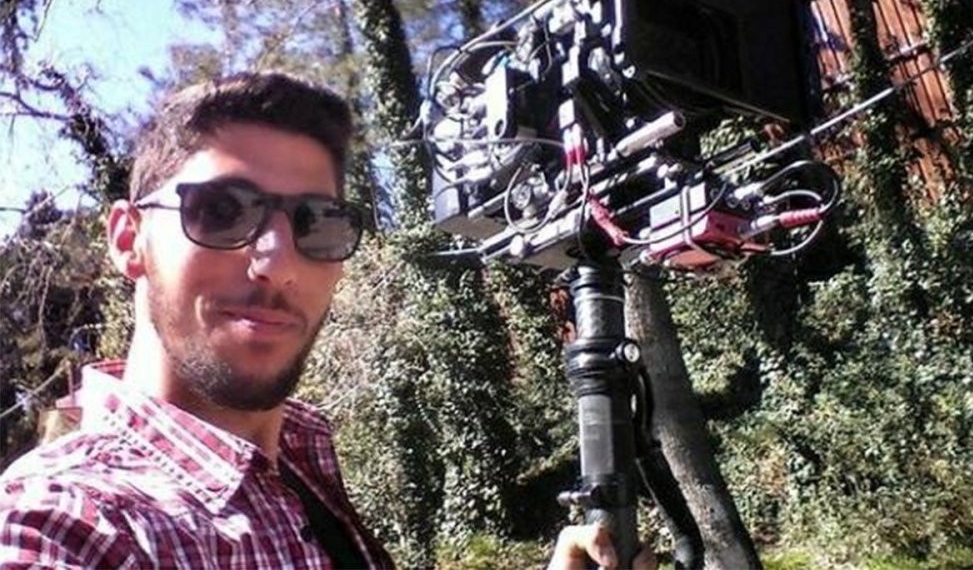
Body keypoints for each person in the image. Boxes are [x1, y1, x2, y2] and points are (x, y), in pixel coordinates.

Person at [0, 72, 653, 569]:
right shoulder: (63, 521)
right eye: (222, 210)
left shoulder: (300, 468)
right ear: (128, 238)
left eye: (317, 223)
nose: (278, 263)